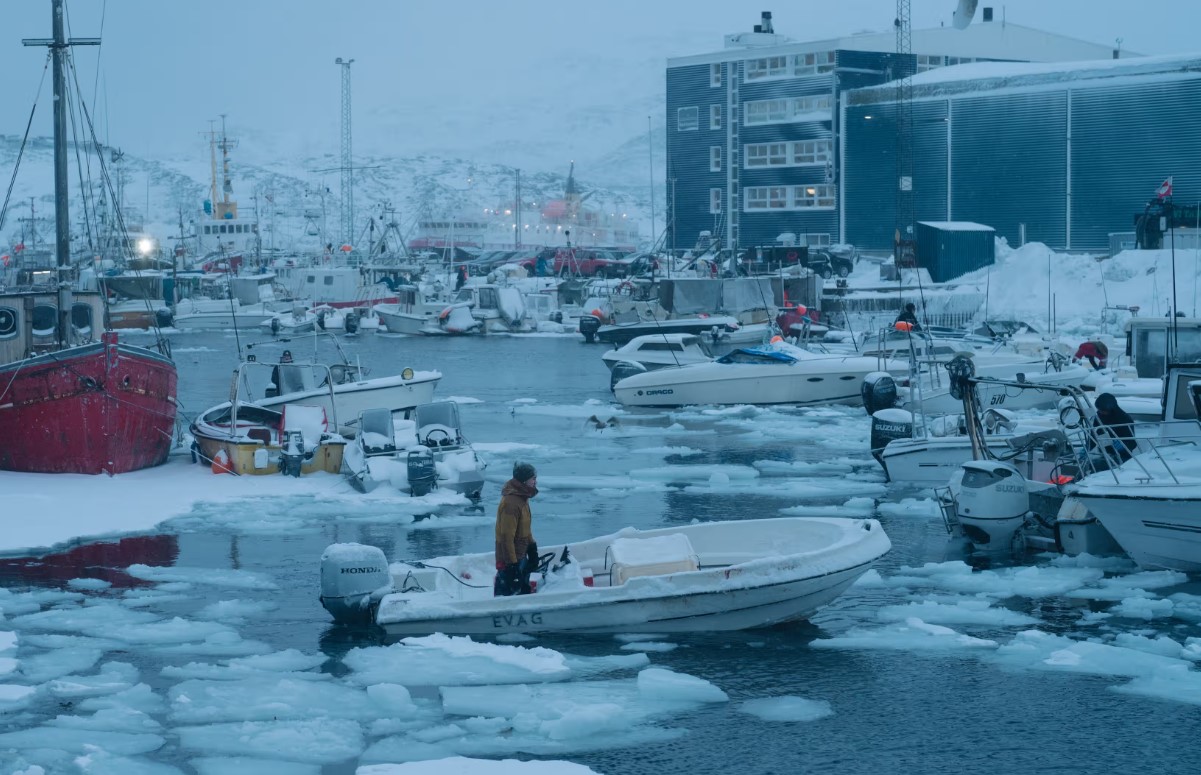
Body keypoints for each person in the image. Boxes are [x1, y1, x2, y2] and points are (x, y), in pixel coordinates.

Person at [494, 462, 540, 596]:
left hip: (520, 554)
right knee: (510, 593)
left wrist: (532, 547)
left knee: (522, 591)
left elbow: (524, 527)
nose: (535, 481)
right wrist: (512, 566)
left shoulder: (522, 499)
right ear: (524, 480)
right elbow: (506, 537)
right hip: (511, 559)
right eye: (533, 478)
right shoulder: (511, 504)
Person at [1087, 392, 1138, 470]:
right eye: (1099, 409)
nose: (1100, 412)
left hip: (1123, 457)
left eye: (1102, 410)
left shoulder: (1125, 419)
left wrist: (1122, 444)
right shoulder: (1099, 418)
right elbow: (1093, 436)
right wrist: (1087, 448)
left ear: (1111, 408)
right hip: (1105, 455)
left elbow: (1132, 443)